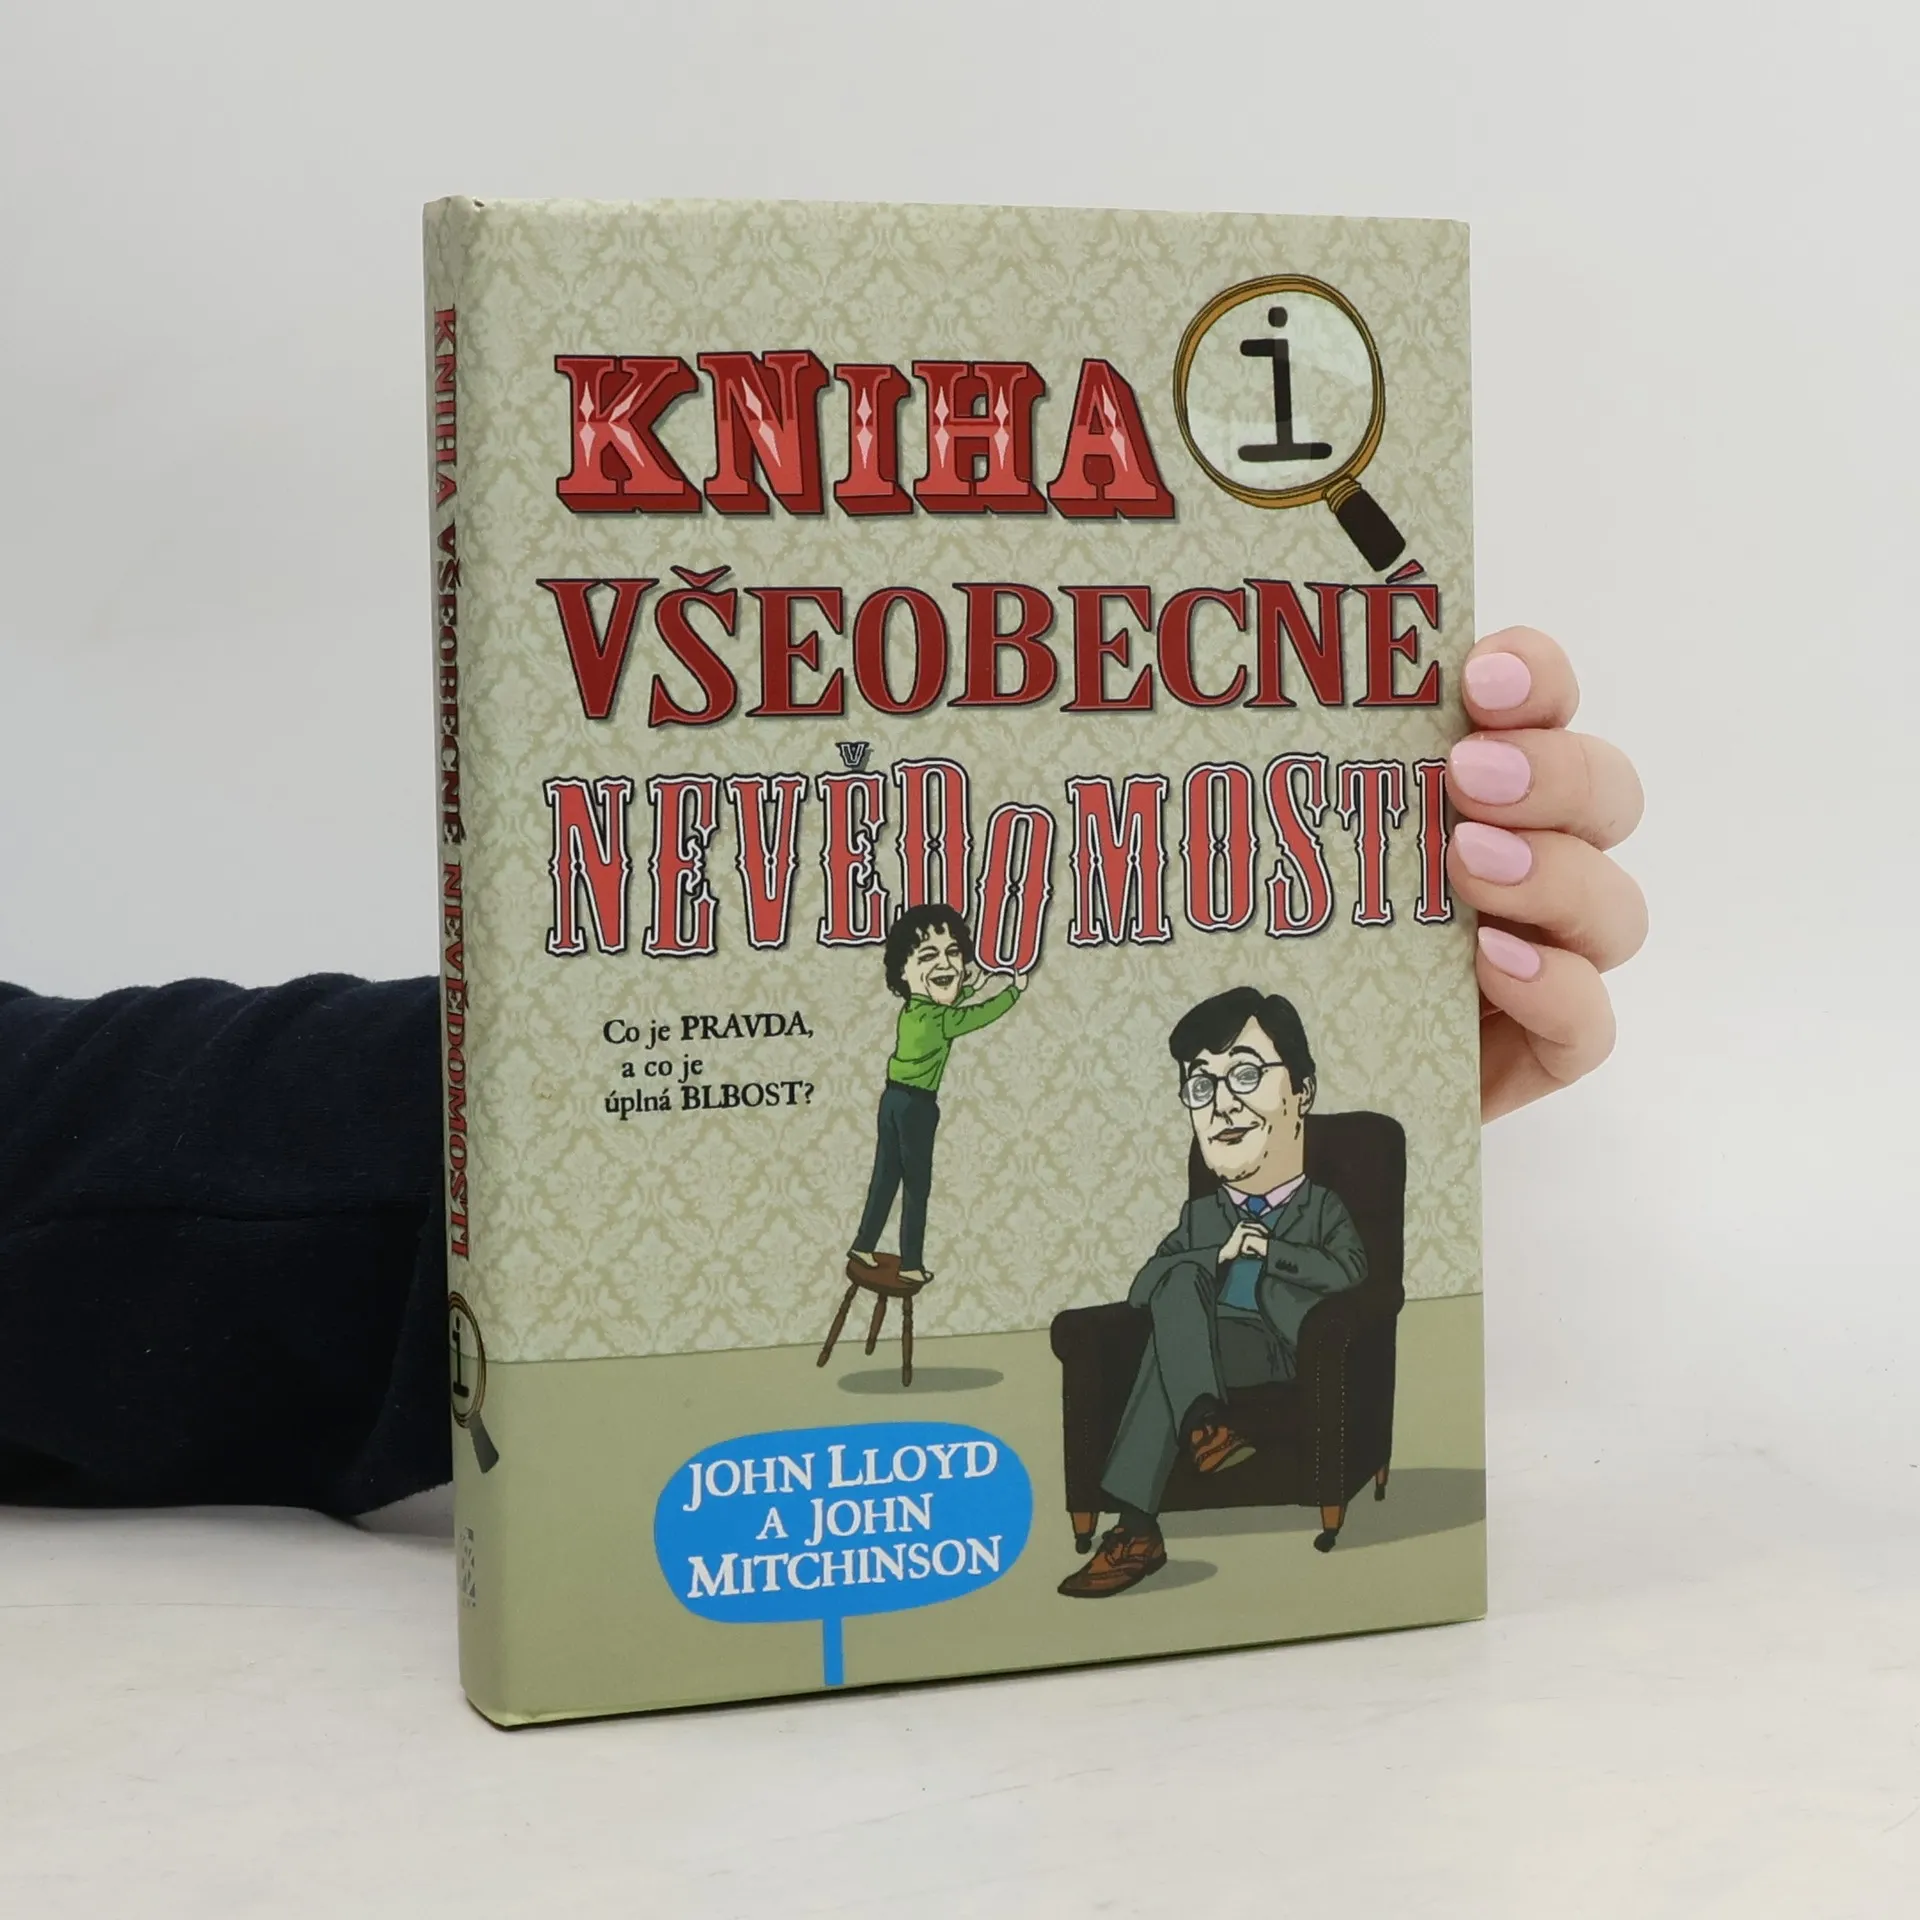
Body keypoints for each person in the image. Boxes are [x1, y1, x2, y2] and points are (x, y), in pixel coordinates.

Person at [0, 628, 1646, 1514]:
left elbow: (60, 1155)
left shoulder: (1269, 1180)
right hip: (899, 1124)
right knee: (906, 1201)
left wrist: (1327, 1029)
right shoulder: (923, 1019)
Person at [1057, 987, 1362, 1598]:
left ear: (1302, 1092)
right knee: (1177, 1284)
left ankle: (1138, 1529)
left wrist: (1269, 1250)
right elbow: (1143, 1288)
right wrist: (1215, 1254)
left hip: (1285, 1344)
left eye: (1245, 1075)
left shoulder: (1322, 1207)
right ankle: (1203, 1426)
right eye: (1201, 1086)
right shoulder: (1201, 1217)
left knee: (1165, 1347)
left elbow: (1350, 1275)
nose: (1222, 1105)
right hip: (1206, 1346)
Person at [848, 904, 1028, 1287]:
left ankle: (863, 1244)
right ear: (902, 972)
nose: (946, 963)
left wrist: (971, 986)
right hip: (917, 1106)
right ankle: (911, 1262)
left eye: (954, 953)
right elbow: (975, 1016)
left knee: (886, 1176)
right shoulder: (939, 1020)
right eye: (929, 955)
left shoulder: (914, 1010)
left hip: (892, 1099)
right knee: (917, 1185)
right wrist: (1013, 991)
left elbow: (944, 1001)